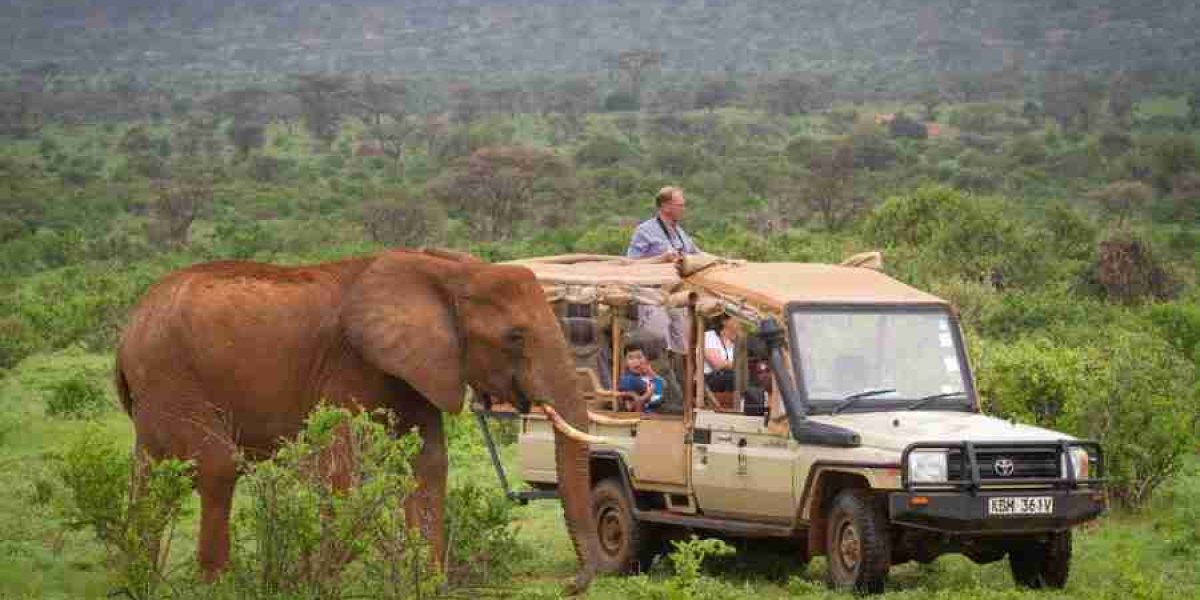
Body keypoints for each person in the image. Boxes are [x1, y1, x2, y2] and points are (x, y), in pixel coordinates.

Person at [627, 186, 700, 353]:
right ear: (666, 206)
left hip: (676, 295)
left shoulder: (680, 232)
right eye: (680, 205)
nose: (684, 209)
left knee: (684, 348)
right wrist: (661, 259)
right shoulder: (644, 230)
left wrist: (724, 260)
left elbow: (697, 254)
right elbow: (630, 264)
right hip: (652, 296)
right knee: (657, 346)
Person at [617, 343, 665, 413]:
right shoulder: (627, 380)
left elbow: (663, 384)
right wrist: (648, 394)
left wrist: (651, 372)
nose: (635, 361)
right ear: (625, 362)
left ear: (646, 359)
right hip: (643, 416)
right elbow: (629, 407)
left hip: (657, 412)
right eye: (631, 358)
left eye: (639, 357)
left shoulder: (645, 375)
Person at [704, 314, 738, 393]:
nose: (739, 320)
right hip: (710, 379)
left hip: (729, 378)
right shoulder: (709, 336)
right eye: (735, 317)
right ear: (724, 321)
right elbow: (718, 364)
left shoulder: (737, 339)